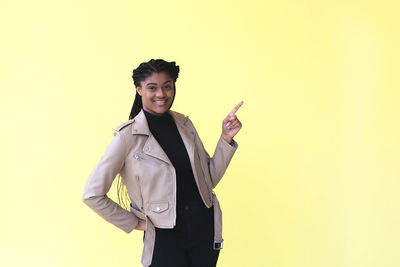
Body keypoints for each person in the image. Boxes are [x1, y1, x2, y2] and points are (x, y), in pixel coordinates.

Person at [82, 59, 243, 267]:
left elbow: (208, 179)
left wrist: (226, 138)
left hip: (204, 229)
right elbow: (92, 194)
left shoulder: (185, 124)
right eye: (152, 88)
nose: (161, 94)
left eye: (167, 86)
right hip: (165, 239)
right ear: (139, 90)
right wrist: (134, 223)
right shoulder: (126, 137)